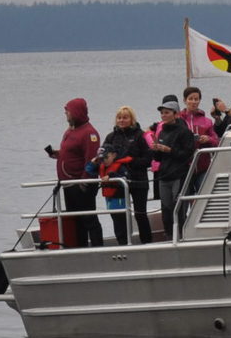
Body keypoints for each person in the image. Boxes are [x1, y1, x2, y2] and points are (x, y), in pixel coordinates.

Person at [45, 97, 103, 247]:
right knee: (75, 220)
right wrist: (57, 154)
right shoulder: (70, 131)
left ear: (76, 112)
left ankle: (98, 247)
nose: (66, 114)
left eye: (68, 111)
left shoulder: (90, 133)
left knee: (89, 218)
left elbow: (92, 159)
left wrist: (84, 181)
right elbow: (72, 153)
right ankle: (80, 248)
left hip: (81, 183)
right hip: (68, 184)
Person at [98, 106, 153, 245]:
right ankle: (123, 243)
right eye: (119, 117)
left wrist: (131, 162)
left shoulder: (140, 135)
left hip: (138, 180)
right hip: (117, 181)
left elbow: (148, 159)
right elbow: (102, 157)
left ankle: (146, 243)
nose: (122, 120)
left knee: (140, 214)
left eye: (125, 117)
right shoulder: (111, 137)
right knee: (119, 215)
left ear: (132, 119)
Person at [152, 97, 196, 239]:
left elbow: (187, 155)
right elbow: (158, 158)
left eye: (166, 113)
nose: (163, 115)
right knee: (166, 209)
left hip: (179, 175)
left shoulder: (185, 132)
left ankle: (182, 236)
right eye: (162, 113)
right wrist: (156, 150)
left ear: (176, 114)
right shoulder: (162, 131)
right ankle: (169, 236)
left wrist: (169, 150)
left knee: (179, 208)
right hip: (164, 175)